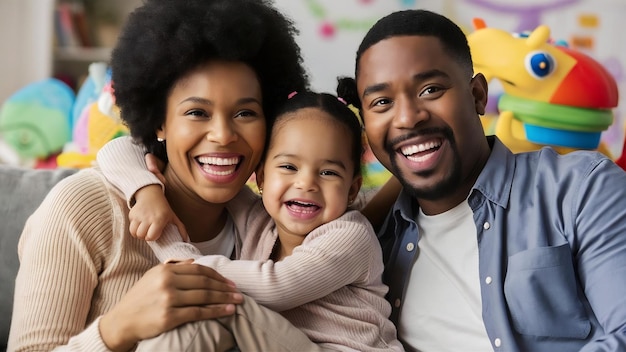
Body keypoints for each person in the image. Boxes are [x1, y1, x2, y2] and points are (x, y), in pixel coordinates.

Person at [8, 0, 311, 350]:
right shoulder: (82, 208)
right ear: (159, 122)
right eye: (197, 112)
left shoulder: (272, 227)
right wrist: (118, 328)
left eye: (245, 113)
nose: (224, 135)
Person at [335, 8, 626, 352]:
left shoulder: (582, 189)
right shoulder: (367, 247)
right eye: (382, 102)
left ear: (477, 95)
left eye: (430, 89)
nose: (408, 118)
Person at [121, 91, 403, 351]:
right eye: (289, 167)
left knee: (222, 303)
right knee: (194, 325)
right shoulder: (257, 217)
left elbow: (277, 287)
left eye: (328, 173)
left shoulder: (350, 236)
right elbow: (123, 149)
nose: (306, 183)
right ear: (262, 178)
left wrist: (177, 258)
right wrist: (146, 192)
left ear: (352, 189)